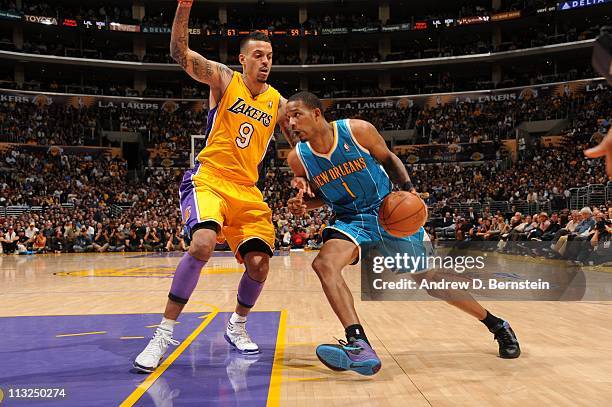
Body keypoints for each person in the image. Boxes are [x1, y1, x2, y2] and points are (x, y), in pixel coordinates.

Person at [284, 91, 520, 376]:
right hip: (350, 219)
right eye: (288, 117)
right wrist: (303, 206)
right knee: (324, 264)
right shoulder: (297, 158)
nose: (292, 122)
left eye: (297, 115)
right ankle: (359, 343)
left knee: (431, 282)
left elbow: (389, 159)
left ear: (317, 113)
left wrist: (409, 192)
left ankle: (496, 324)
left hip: (387, 211)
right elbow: (321, 195)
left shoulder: (357, 131)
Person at [133, 0, 292, 373]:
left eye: (269, 55)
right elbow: (178, 52)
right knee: (202, 244)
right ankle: (163, 333)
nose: (266, 61)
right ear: (243, 59)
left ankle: (237, 325)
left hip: (247, 190)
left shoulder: (279, 104)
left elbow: (300, 143)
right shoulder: (224, 79)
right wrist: (184, 5)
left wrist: (303, 176)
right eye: (258, 54)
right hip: (211, 179)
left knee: (259, 264)